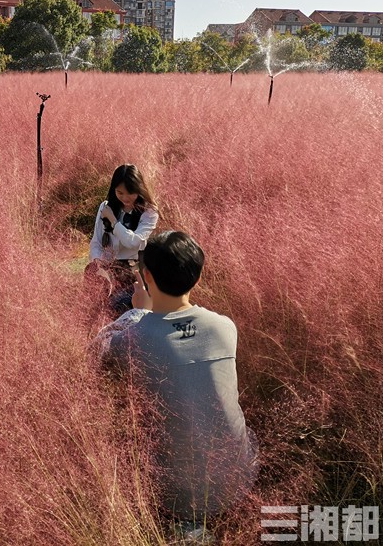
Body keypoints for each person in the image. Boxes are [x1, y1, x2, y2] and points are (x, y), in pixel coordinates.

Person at [99, 231, 258, 539]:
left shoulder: (134, 337)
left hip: (174, 495)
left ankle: (186, 527)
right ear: (197, 278)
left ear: (146, 276)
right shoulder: (225, 327)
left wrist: (136, 311)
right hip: (238, 479)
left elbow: (95, 353)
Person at [86, 164, 158, 315]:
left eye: (130, 193)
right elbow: (96, 242)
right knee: (97, 313)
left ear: (139, 189)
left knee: (125, 314)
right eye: (120, 193)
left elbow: (133, 242)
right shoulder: (105, 206)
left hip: (132, 271)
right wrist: (98, 262)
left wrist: (113, 221)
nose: (125, 198)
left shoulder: (149, 212)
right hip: (105, 268)